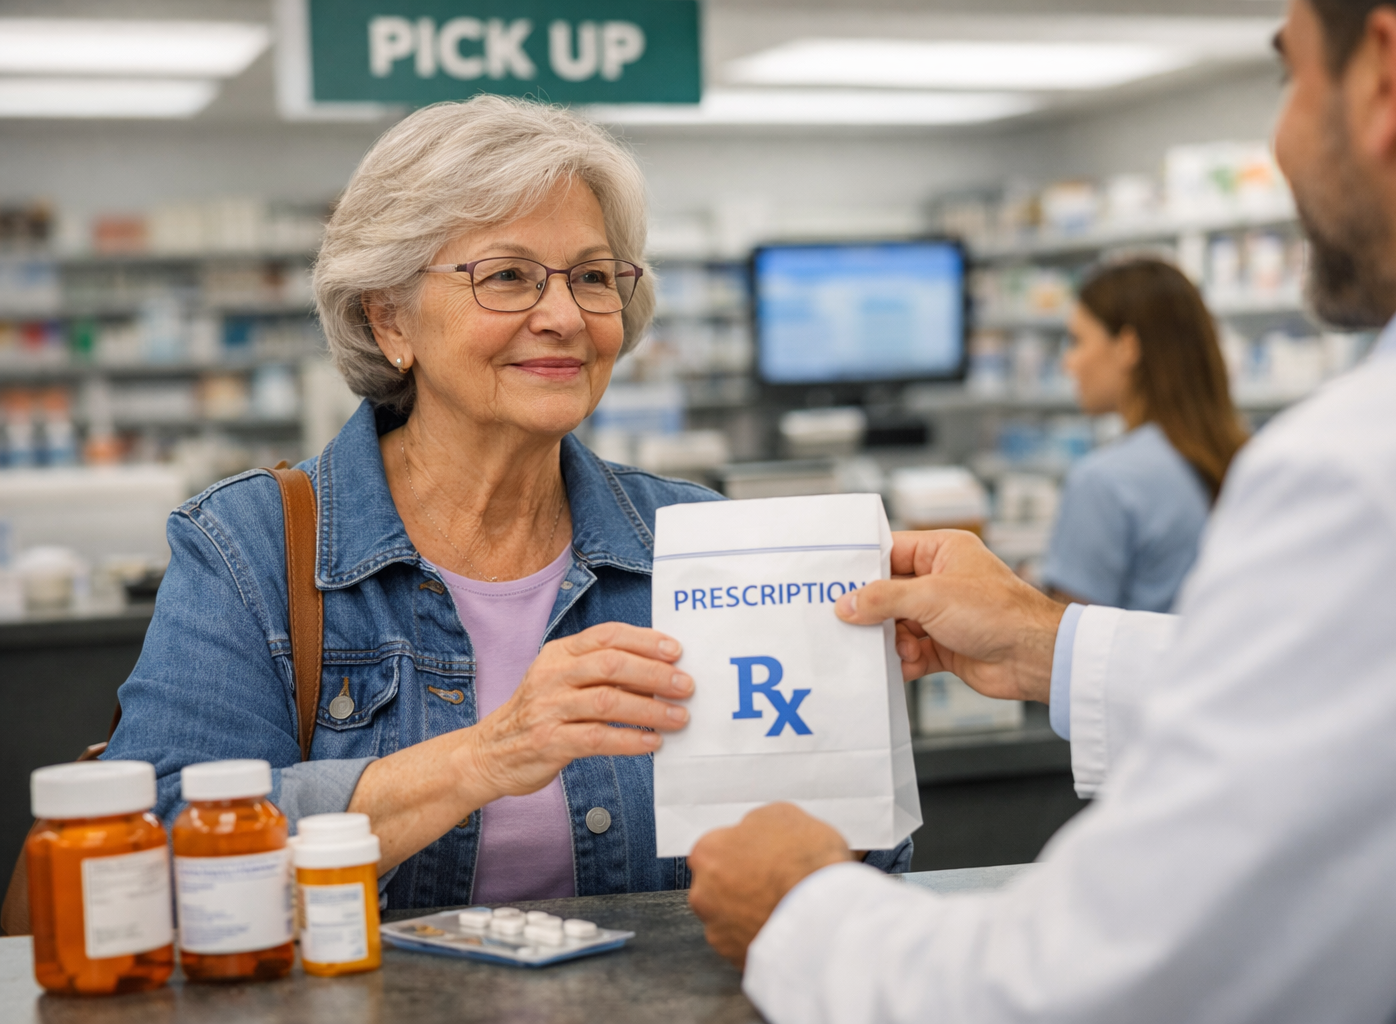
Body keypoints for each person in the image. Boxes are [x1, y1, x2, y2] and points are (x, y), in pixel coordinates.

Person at [687, 1, 1396, 1020]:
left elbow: (1108, 991)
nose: (1283, 137)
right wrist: (1051, 642)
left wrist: (799, 907)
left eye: (1290, 77)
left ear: (1385, 77)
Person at [101, 95, 912, 910]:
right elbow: (158, 845)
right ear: (389, 319)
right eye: (509, 277)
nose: (563, 316)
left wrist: (852, 711)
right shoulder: (253, 546)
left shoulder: (696, 541)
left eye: (593, 277)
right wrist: (485, 756)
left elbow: (864, 859)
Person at [1041, 258, 1247, 613]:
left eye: (1077, 341)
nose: (1068, 362)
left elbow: (1057, 647)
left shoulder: (1104, 482)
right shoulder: (1239, 457)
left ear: (1127, 347)